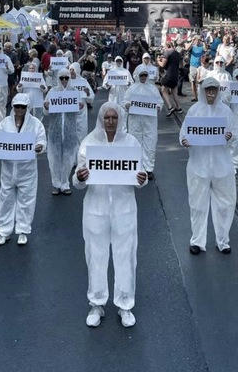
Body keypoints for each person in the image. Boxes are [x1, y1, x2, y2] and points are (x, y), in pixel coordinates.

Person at [73, 103, 148, 328]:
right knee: (96, 256)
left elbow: (139, 176)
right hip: (95, 209)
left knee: (125, 255)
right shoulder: (89, 144)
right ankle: (96, 303)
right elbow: (77, 183)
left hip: (124, 209)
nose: (111, 121)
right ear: (100, 119)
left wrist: (141, 180)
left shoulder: (131, 143)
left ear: (120, 119)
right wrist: (80, 177)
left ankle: (125, 305)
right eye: (107, 117)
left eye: (115, 117)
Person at [180, 76, 235, 255]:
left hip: (222, 166)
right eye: (208, 90)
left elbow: (235, 134)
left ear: (218, 91)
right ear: (203, 91)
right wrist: (185, 141)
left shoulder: (226, 111)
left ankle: (223, 240)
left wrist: (229, 137)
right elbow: (184, 133)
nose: (211, 93)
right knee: (197, 204)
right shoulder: (194, 111)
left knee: (225, 204)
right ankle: (197, 240)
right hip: (198, 165)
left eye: (214, 90)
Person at [0, 93, 47, 246]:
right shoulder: (4, 123)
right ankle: (4, 231)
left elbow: (42, 141)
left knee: (26, 200)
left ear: (27, 108)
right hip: (8, 169)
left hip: (27, 170)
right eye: (17, 106)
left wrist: (40, 147)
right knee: (5, 200)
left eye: (22, 107)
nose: (19, 109)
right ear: (13, 107)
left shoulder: (36, 124)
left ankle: (23, 230)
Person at [43, 68, 85, 195]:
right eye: (62, 78)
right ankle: (56, 184)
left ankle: (65, 183)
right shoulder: (52, 91)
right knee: (54, 158)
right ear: (58, 79)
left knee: (68, 158)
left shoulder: (74, 92)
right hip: (54, 131)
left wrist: (80, 107)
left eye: (67, 78)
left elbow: (78, 112)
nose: (64, 80)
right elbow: (46, 111)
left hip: (69, 131)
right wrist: (46, 107)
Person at [122, 68, 164, 179]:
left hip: (150, 121)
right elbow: (125, 101)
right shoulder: (132, 89)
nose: (143, 77)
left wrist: (159, 107)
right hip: (135, 120)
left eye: (145, 75)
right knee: (135, 142)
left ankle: (148, 168)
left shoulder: (153, 89)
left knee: (150, 143)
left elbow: (159, 102)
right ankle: (136, 167)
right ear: (137, 75)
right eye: (142, 75)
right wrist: (127, 105)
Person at [69, 62, 95, 140]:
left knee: (81, 133)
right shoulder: (66, 81)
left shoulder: (83, 82)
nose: (71, 72)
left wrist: (87, 93)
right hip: (69, 112)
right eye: (70, 69)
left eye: (73, 69)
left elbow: (91, 98)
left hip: (81, 112)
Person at [157, 41, 182, 116]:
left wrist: (158, 60)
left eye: (164, 47)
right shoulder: (177, 53)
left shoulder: (167, 52)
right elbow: (181, 65)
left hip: (169, 74)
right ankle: (179, 108)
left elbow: (162, 65)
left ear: (167, 46)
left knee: (163, 90)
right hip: (176, 75)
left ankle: (170, 107)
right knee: (174, 92)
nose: (164, 49)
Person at [185, 35, 206, 102]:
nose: (197, 41)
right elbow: (187, 49)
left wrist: (203, 41)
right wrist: (192, 41)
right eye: (196, 40)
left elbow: (206, 49)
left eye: (198, 40)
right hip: (193, 66)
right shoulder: (192, 47)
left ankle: (200, 96)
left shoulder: (201, 47)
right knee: (192, 82)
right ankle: (195, 97)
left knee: (199, 82)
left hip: (200, 66)